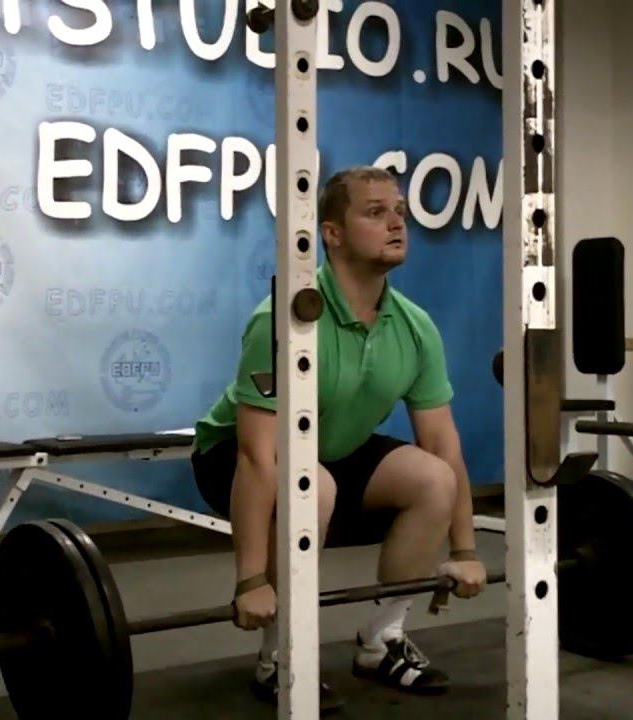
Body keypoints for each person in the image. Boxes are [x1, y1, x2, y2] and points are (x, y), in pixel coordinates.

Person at [191, 165, 487, 711]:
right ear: (331, 233)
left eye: (399, 211)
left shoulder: (415, 326)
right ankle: (279, 656)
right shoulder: (280, 320)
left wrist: (465, 550)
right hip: (231, 456)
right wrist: (250, 579)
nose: (396, 223)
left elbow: (444, 444)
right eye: (376, 212)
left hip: (327, 449)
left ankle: (382, 639)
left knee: (433, 479)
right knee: (314, 486)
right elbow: (257, 456)